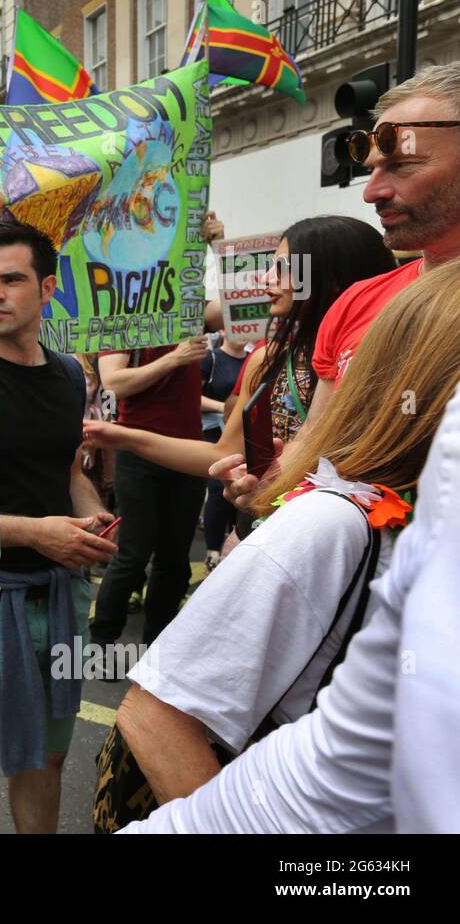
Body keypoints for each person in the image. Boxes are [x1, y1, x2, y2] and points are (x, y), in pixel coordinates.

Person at [122, 258, 460, 834]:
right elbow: (156, 710)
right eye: (276, 266)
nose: (274, 281)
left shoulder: (426, 532)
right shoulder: (334, 524)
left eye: (287, 267)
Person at [219, 62, 460, 508]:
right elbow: (316, 443)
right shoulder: (356, 302)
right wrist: (267, 493)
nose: (371, 192)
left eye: (402, 165)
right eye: (372, 169)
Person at [0, 222, 116, 835]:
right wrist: (38, 533)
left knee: (46, 757)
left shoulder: (70, 375)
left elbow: (69, 473)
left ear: (46, 289)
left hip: (61, 597)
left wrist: (90, 515)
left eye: (11, 279)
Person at [85, 217, 396, 540]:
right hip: (269, 531)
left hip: (357, 537)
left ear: (332, 276)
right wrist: (125, 438)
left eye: (283, 267)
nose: (265, 279)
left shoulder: (390, 361)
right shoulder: (266, 359)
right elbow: (224, 454)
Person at [88, 332, 207, 652]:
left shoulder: (189, 315)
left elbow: (232, 310)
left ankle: (158, 649)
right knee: (132, 553)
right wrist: (175, 358)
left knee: (174, 557)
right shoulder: (129, 317)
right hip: (138, 452)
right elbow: (112, 383)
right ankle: (102, 644)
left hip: (188, 451)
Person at [198, 327, 249, 569]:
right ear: (224, 328)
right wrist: (224, 408)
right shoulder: (212, 358)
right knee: (218, 488)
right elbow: (194, 397)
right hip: (213, 431)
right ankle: (212, 552)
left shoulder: (254, 358)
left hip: (239, 432)